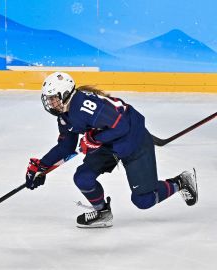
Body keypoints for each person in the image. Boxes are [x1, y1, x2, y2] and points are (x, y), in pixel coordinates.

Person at [25, 72, 198, 228]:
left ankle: (181, 182)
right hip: (108, 143)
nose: (50, 103)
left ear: (66, 93)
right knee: (83, 178)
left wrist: (92, 139)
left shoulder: (84, 104)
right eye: (48, 99)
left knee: (143, 200)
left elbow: (121, 125)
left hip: (132, 139)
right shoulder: (65, 116)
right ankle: (102, 213)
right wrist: (41, 166)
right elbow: (66, 147)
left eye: (54, 98)